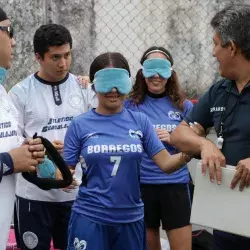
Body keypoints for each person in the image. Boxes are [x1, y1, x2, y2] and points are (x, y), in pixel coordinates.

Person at [63, 52, 192, 250]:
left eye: (119, 82)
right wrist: (52, 172)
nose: (113, 89)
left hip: (131, 219)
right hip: (90, 216)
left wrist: (194, 150)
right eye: (106, 82)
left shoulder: (140, 121)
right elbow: (65, 171)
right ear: (94, 84)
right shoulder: (79, 125)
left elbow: (166, 164)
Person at [8, 24, 97, 250]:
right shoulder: (19, 93)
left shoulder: (84, 88)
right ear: (39, 57)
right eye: (55, 57)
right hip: (34, 195)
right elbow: (13, 142)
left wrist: (73, 153)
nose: (63, 64)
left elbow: (98, 134)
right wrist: (46, 155)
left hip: (76, 195)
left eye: (67, 55)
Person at [170, 4, 250, 250]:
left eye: (216, 44)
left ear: (232, 47)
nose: (213, 52)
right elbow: (178, 135)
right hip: (228, 221)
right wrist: (204, 144)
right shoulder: (219, 90)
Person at [124, 46, 193, 250]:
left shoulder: (184, 106)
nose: (155, 76)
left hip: (176, 185)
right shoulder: (130, 106)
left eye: (161, 70)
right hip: (142, 185)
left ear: (170, 73)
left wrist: (175, 139)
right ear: (142, 72)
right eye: (150, 69)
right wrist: (84, 82)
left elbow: (198, 143)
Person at [0, 8, 45, 249]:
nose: (15, 41)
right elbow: (8, 160)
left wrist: (29, 152)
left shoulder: (3, 94)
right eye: (9, 31)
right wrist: (9, 161)